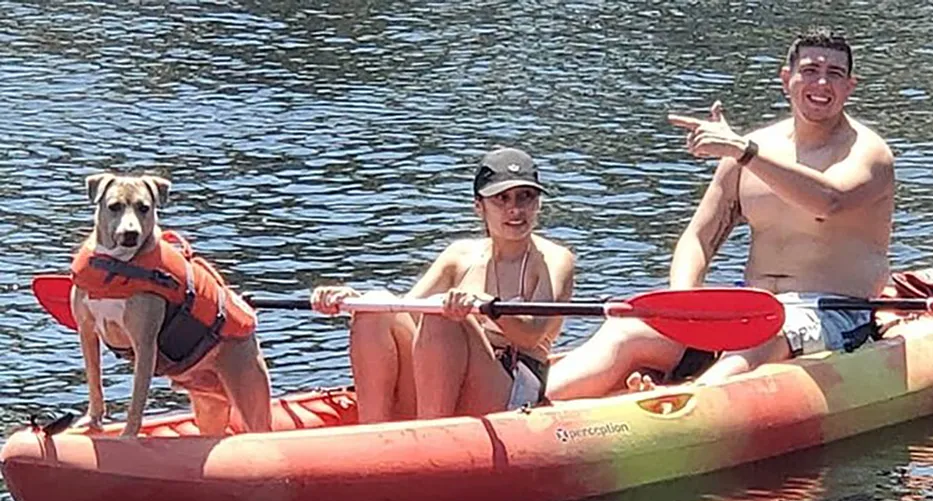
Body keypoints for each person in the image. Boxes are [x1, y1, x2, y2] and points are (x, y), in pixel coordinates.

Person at [546, 29, 895, 399]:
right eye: (809, 70)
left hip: (830, 311)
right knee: (626, 330)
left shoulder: (868, 153)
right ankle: (526, 407)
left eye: (835, 74)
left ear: (850, 86)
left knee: (759, 341)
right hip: (749, 306)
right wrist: (683, 302)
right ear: (785, 79)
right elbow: (699, 237)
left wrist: (744, 151)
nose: (821, 82)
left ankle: (681, 405)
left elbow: (830, 200)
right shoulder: (749, 153)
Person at [312, 147, 575, 422]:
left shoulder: (554, 259)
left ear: (538, 204)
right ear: (479, 206)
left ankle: (432, 438)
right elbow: (403, 310)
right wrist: (354, 300)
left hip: (513, 385)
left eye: (526, 197)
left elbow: (531, 335)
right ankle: (372, 434)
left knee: (444, 316)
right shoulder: (458, 255)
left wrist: (483, 304)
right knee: (374, 309)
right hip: (454, 373)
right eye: (501, 198)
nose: (515, 210)